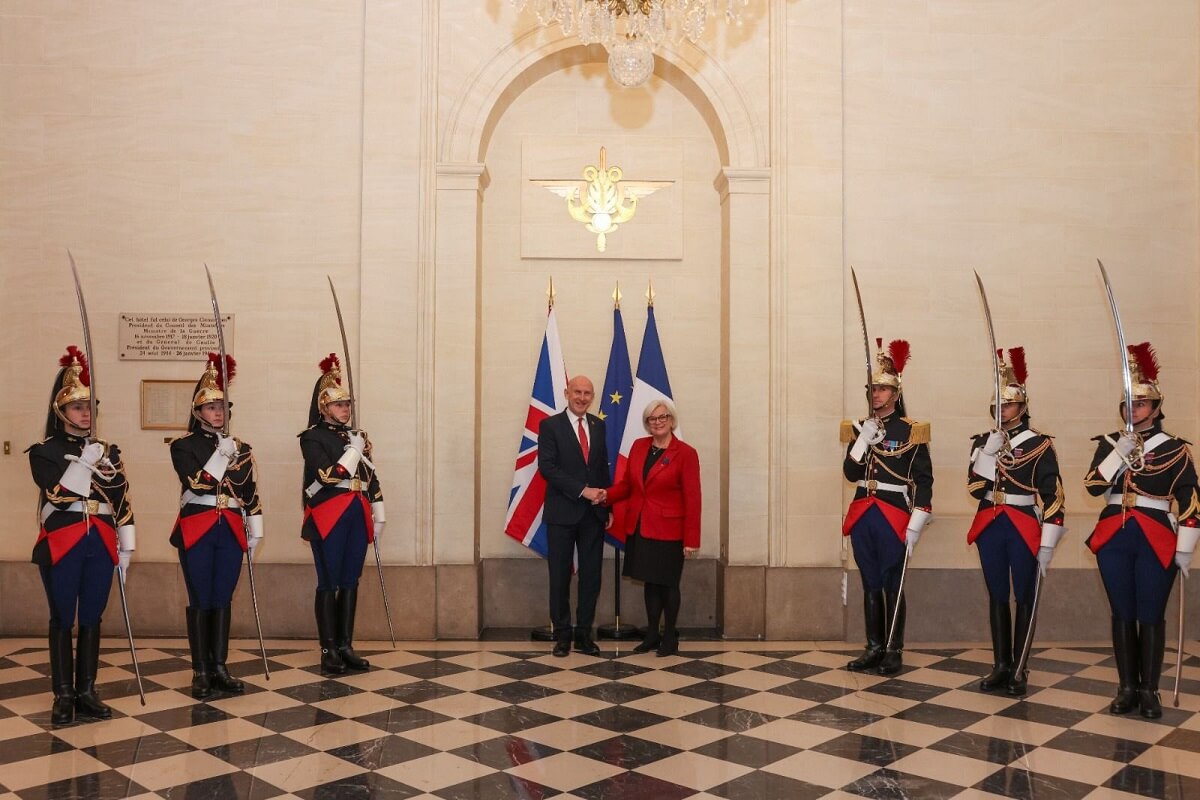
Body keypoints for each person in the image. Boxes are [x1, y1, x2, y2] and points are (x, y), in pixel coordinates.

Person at [1084, 342, 1199, 719]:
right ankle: (1126, 688)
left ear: (1156, 408)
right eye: (1128, 404)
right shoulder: (1109, 444)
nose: (1133, 410)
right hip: (1114, 534)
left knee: (1150, 612)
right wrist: (1119, 453)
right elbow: (1093, 487)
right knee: (1122, 612)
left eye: (1140, 404)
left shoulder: (1176, 449)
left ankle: (1149, 690)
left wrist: (1185, 548)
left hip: (1154, 534)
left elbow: (1192, 502)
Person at [28, 347, 136, 724]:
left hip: (101, 541)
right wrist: (85, 462)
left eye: (90, 406)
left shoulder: (109, 450)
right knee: (62, 617)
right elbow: (57, 496)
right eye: (77, 407)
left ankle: (87, 689)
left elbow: (121, 497)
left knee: (92, 616)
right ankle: (62, 693)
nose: (86, 413)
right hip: (64, 540)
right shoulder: (44, 451)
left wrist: (128, 544)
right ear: (61, 412)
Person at [965, 348, 1065, 696]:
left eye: (1008, 405)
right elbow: (976, 487)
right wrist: (989, 452)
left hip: (1023, 521)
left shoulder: (1040, 444)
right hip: (990, 523)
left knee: (1024, 596)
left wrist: (1049, 540)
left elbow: (1053, 495)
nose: (1001, 411)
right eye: (998, 406)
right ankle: (1000, 666)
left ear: (1022, 406)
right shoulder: (982, 441)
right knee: (996, 595)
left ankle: (1020, 666)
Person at [169, 354, 263, 699]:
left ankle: (220, 666)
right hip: (198, 525)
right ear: (198, 412)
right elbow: (197, 483)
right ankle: (200, 670)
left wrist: (256, 529)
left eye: (223, 407)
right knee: (201, 597)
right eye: (211, 408)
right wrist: (221, 455)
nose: (218, 413)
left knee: (223, 597)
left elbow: (249, 491)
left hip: (230, 527)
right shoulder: (183, 446)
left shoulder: (242, 447)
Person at [841, 338, 933, 676]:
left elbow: (924, 479)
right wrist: (862, 440)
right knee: (869, 582)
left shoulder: (911, 431)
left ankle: (893, 649)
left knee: (893, 582)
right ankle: (873, 646)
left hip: (895, 513)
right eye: (873, 389)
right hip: (864, 510)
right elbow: (851, 473)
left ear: (895, 394)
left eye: (882, 389)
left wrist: (918, 520)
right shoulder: (859, 429)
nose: (876, 394)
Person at [300, 354, 384, 674]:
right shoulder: (312, 437)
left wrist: (379, 512)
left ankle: (346, 645)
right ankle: (328, 648)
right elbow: (327, 475)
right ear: (324, 407)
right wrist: (354, 450)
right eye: (338, 405)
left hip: (356, 512)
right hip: (328, 513)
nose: (345, 410)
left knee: (351, 581)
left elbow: (370, 479)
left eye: (347, 404)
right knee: (329, 582)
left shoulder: (357, 437)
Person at [605, 399, 701, 656]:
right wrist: (606, 495)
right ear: (647, 424)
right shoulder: (639, 447)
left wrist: (691, 539)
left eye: (663, 417)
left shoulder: (686, 453)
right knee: (650, 582)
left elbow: (693, 498)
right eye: (652, 419)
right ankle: (651, 635)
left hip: (670, 530)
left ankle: (669, 636)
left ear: (671, 420)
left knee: (668, 583)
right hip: (640, 526)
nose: (658, 422)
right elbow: (628, 485)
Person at [538, 375, 610, 657]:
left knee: (592, 577)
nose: (582, 397)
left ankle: (584, 635)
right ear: (567, 393)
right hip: (561, 513)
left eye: (587, 393)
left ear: (592, 397)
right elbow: (548, 468)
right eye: (577, 392)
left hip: (593, 516)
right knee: (559, 577)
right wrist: (583, 491)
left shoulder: (599, 425)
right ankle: (563, 636)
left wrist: (607, 506)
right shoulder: (549, 425)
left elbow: (602, 470)